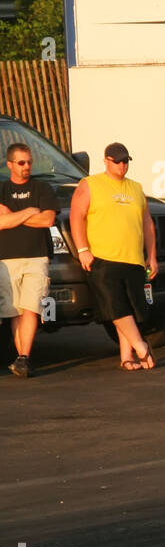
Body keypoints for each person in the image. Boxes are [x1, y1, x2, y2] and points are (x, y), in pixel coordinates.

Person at [68, 143, 158, 371]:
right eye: (117, 161)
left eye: (126, 161)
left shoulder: (136, 188)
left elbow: (147, 223)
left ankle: (126, 357)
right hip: (102, 258)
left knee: (128, 309)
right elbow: (76, 217)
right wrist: (82, 250)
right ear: (106, 161)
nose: (122, 165)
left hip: (133, 258)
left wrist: (152, 256)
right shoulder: (90, 184)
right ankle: (141, 346)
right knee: (115, 308)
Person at [0, 142, 58, 377]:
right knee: (15, 311)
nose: (26, 167)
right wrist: (29, 212)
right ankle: (19, 356)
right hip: (7, 258)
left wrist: (12, 216)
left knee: (31, 308)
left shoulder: (42, 188)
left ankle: (24, 356)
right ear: (10, 164)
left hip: (37, 256)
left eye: (29, 162)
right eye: (21, 163)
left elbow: (47, 220)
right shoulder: (2, 190)